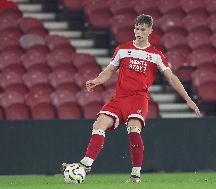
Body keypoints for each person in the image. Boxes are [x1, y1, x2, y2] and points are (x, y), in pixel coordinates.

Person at [62, 14, 201, 183]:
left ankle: (135, 174)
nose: (139, 32)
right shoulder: (122, 49)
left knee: (133, 130)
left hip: (138, 98)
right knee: (99, 124)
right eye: (136, 28)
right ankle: (86, 164)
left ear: (150, 30)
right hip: (119, 98)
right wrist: (97, 80)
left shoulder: (156, 55)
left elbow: (171, 78)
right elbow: (110, 70)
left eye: (143, 29)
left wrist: (188, 99)